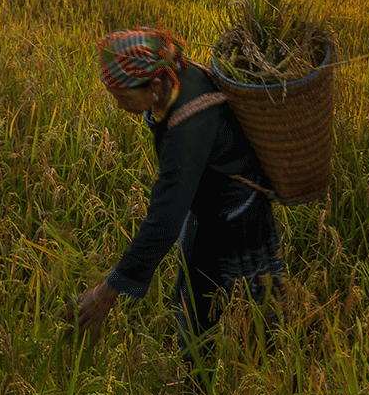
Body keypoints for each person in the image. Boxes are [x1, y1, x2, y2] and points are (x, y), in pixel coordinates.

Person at [74, 27, 280, 349]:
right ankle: (196, 373)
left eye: (124, 98)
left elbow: (165, 218)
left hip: (237, 221)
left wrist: (106, 294)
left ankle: (239, 384)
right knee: (195, 306)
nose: (120, 107)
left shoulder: (188, 128)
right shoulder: (176, 71)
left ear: (154, 85)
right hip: (207, 211)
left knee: (254, 323)